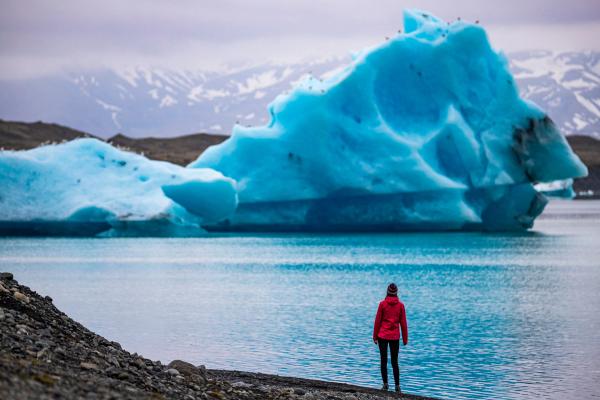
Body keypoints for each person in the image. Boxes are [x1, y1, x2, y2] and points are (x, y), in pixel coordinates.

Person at [372, 283, 408, 393]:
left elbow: (377, 321)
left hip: (382, 335)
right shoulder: (400, 305)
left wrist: (374, 336)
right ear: (396, 293)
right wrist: (405, 338)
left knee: (383, 360)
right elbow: (403, 323)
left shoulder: (382, 304)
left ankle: (385, 384)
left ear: (387, 292)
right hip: (395, 336)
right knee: (394, 361)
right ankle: (397, 386)